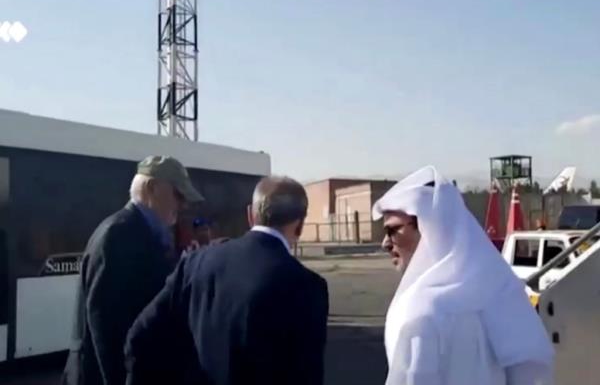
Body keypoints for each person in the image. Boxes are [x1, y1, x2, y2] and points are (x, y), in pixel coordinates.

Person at [124, 176, 329, 385]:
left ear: (251, 215)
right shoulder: (307, 287)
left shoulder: (195, 264)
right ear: (301, 225)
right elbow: (306, 375)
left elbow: (140, 337)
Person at [373, 166, 554, 385]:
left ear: (429, 227)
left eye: (393, 230)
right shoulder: (501, 294)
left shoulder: (420, 313)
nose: (385, 243)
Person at [62, 156, 204, 385]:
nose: (183, 204)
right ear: (152, 188)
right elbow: (106, 328)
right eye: (178, 195)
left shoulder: (137, 231)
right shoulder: (118, 236)